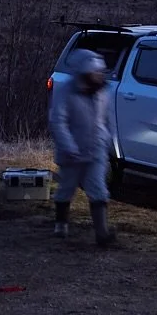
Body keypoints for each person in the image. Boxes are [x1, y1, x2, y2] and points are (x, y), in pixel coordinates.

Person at [48, 48, 114, 246]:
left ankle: (102, 234)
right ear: (85, 73)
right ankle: (61, 224)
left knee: (98, 189)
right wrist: (68, 146)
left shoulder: (102, 92)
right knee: (66, 188)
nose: (99, 76)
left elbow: (106, 120)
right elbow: (58, 121)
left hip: (96, 150)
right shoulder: (66, 92)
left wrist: (107, 141)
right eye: (95, 73)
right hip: (72, 153)